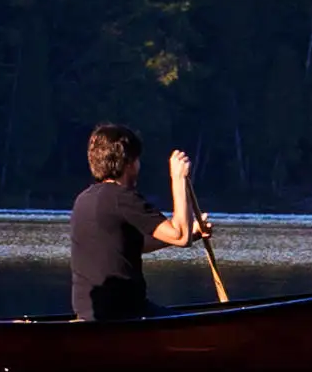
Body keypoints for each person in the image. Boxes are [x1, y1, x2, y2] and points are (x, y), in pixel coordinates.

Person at [65, 121, 207, 322]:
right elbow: (181, 236)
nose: (139, 166)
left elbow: (129, 246)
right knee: (195, 325)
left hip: (91, 316)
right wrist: (178, 178)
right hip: (125, 315)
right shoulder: (122, 198)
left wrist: (191, 233)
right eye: (138, 160)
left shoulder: (83, 199)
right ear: (129, 163)